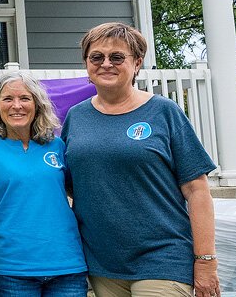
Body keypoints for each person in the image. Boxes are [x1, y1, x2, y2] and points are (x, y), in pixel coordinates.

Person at [61, 22, 217, 297]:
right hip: (101, 263)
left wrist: (205, 260)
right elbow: (74, 185)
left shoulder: (164, 112)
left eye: (117, 57)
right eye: (96, 57)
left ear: (137, 63)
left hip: (162, 259)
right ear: (87, 64)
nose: (106, 63)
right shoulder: (76, 117)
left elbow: (197, 189)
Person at [0, 72, 88, 297]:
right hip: (12, 269)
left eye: (25, 98)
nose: (17, 106)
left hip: (66, 265)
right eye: (8, 99)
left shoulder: (58, 146)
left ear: (37, 104)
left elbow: (81, 191)